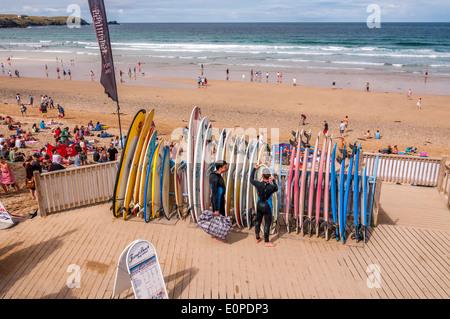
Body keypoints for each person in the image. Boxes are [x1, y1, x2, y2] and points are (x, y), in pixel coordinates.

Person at [250, 164, 278, 247]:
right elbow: (276, 188)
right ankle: (266, 242)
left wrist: (254, 169)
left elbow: (251, 180)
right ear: (269, 176)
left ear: (262, 176)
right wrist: (274, 180)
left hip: (259, 205)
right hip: (267, 206)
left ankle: (257, 238)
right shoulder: (271, 187)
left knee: (258, 221)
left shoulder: (258, 184)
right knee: (267, 223)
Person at [209, 160, 228, 243]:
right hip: (217, 200)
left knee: (221, 217)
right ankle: (217, 237)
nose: (226, 168)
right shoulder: (215, 178)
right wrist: (216, 209)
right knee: (218, 218)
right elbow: (215, 194)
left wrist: (223, 198)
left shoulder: (217, 175)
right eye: (225, 167)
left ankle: (218, 234)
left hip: (220, 199)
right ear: (220, 168)